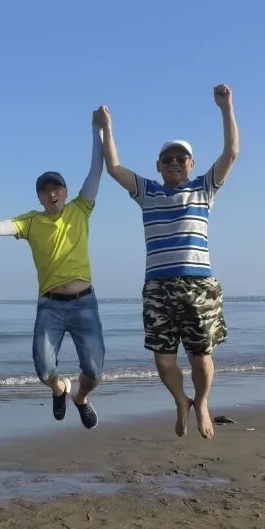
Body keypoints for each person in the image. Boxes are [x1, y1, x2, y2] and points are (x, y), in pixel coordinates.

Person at [99, 84, 239, 440]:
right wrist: (106, 128)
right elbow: (113, 167)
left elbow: (231, 153)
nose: (174, 163)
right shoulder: (148, 192)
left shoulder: (204, 189)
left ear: (191, 164)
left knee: (200, 357)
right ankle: (181, 400)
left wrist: (226, 108)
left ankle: (202, 402)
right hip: (158, 288)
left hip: (198, 286)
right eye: (168, 159)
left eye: (181, 158)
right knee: (163, 360)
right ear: (158, 166)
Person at [0, 112, 107, 429]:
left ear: (65, 191)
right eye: (46, 190)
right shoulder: (31, 221)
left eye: (57, 189)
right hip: (50, 305)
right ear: (39, 196)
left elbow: (96, 169)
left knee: (94, 371)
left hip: (84, 302)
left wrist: (98, 129)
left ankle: (80, 398)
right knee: (43, 368)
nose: (52, 194)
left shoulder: (80, 208)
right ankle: (60, 388)